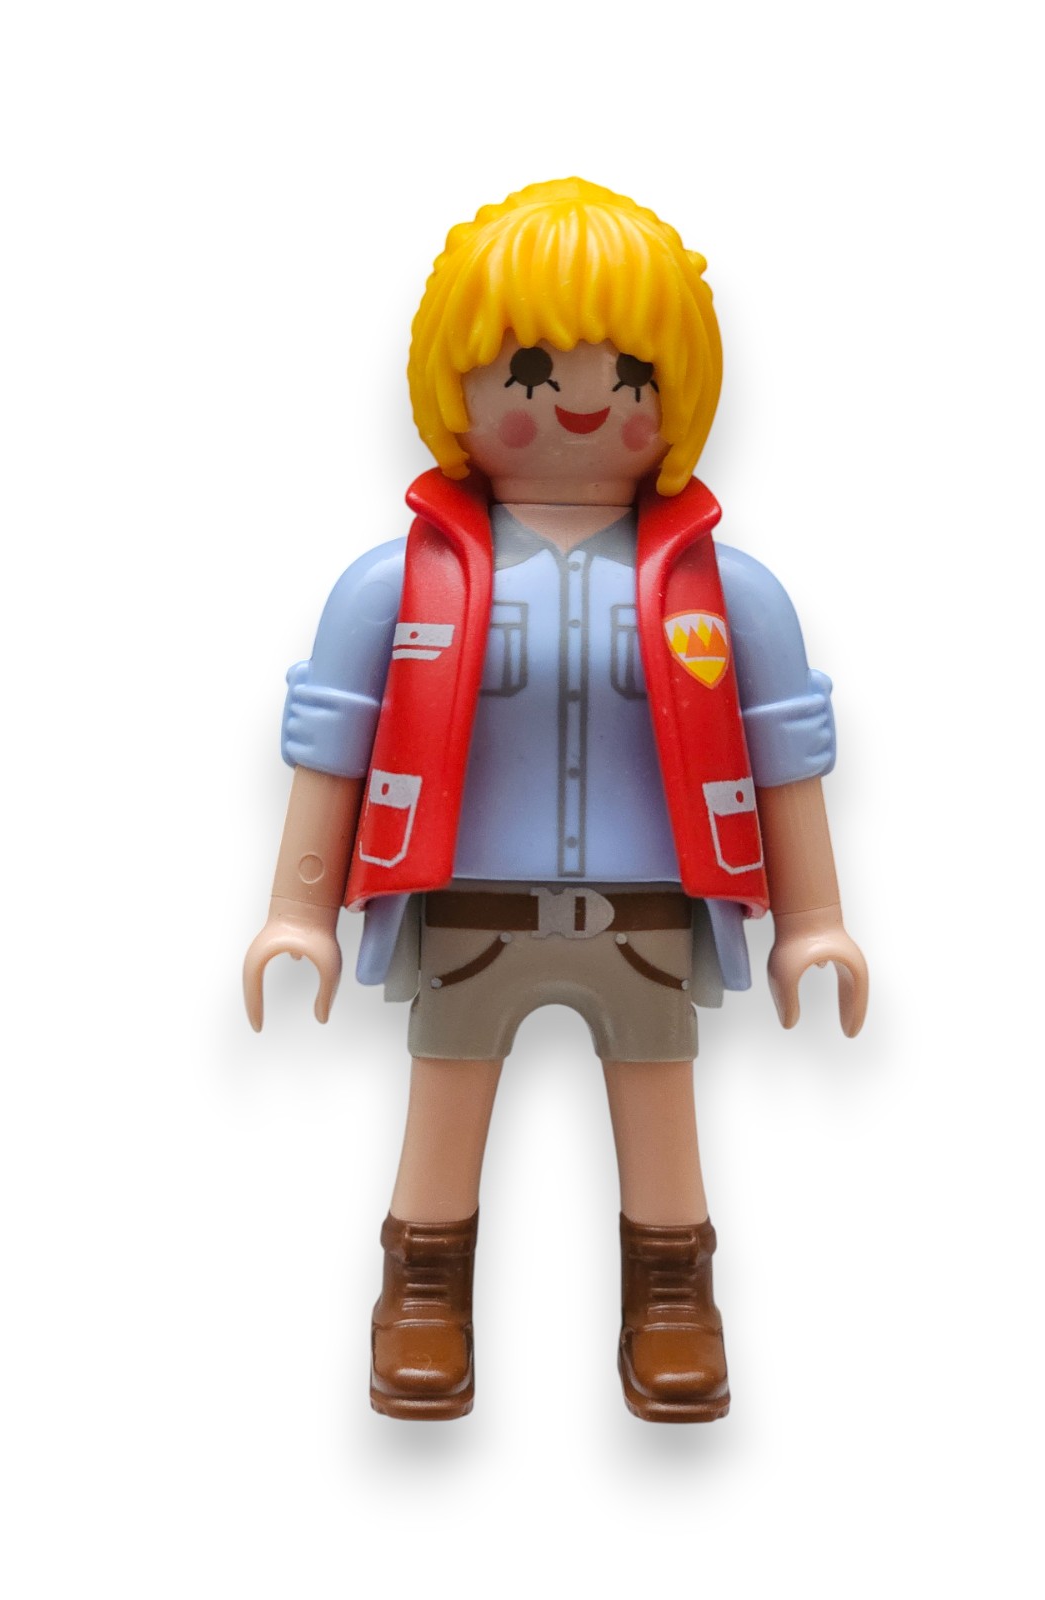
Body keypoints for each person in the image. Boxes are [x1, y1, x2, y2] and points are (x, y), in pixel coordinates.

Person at [243, 178, 868, 1423]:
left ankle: (673, 1298)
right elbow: (333, 745)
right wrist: (298, 911)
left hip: (648, 915)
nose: (582, 400)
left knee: (659, 1101)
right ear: (454, 388)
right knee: (445, 1095)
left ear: (678, 394)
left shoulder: (728, 591)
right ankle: (423, 1291)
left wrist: (813, 922)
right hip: (467, 910)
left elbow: (783, 755)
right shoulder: (392, 584)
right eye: (527, 370)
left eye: (630, 374)